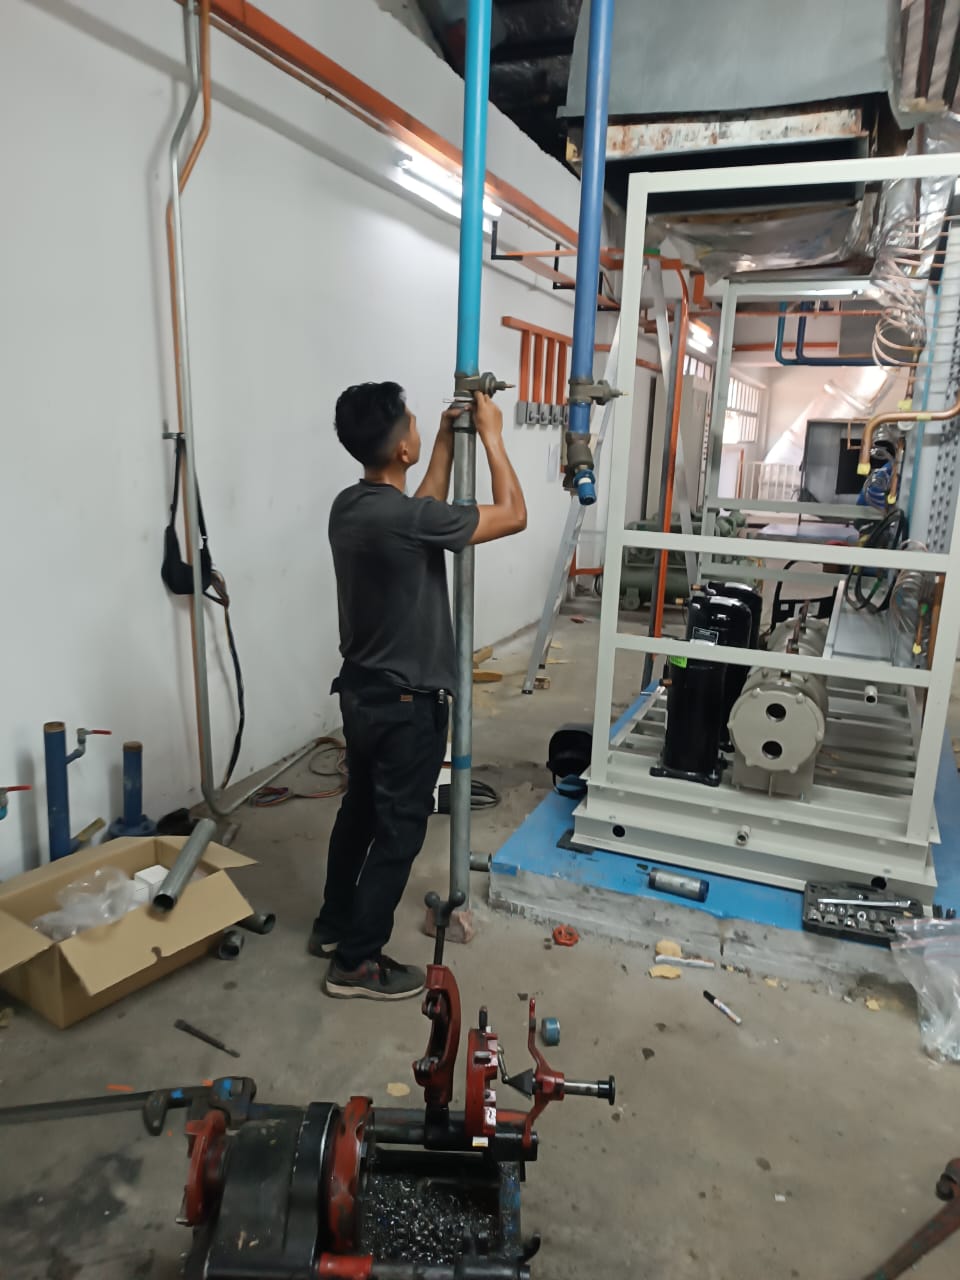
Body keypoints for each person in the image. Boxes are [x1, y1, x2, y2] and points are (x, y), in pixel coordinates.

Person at [311, 381, 527, 1000]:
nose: (415, 423)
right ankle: (356, 962)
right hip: (407, 709)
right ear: (401, 449)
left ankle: (333, 924)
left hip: (361, 696)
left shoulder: (352, 507)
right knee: (400, 831)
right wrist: (492, 438)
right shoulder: (408, 521)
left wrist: (439, 444)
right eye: (411, 421)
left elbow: (420, 509)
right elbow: (514, 514)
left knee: (359, 813)